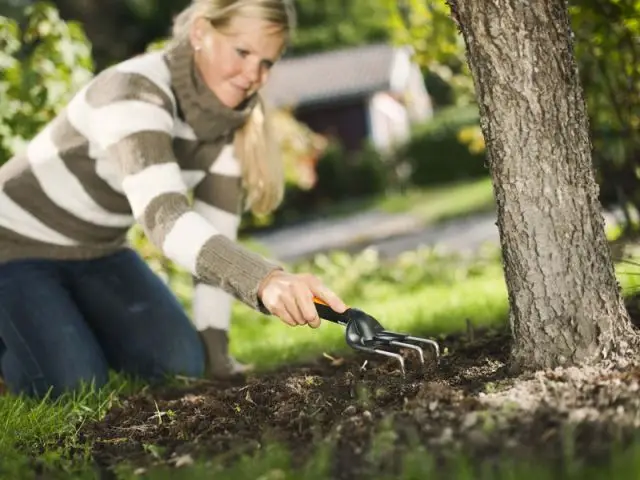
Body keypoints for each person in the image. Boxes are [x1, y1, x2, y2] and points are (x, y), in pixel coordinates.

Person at [0, 0, 347, 399]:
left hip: (97, 250)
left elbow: (215, 247)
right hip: (12, 245)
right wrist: (265, 280)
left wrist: (217, 360)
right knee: (74, 386)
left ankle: (62, 326)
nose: (254, 74)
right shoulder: (133, 91)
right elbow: (164, 218)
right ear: (200, 33)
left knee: (182, 362)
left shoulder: (225, 124)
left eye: (267, 62)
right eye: (243, 51)